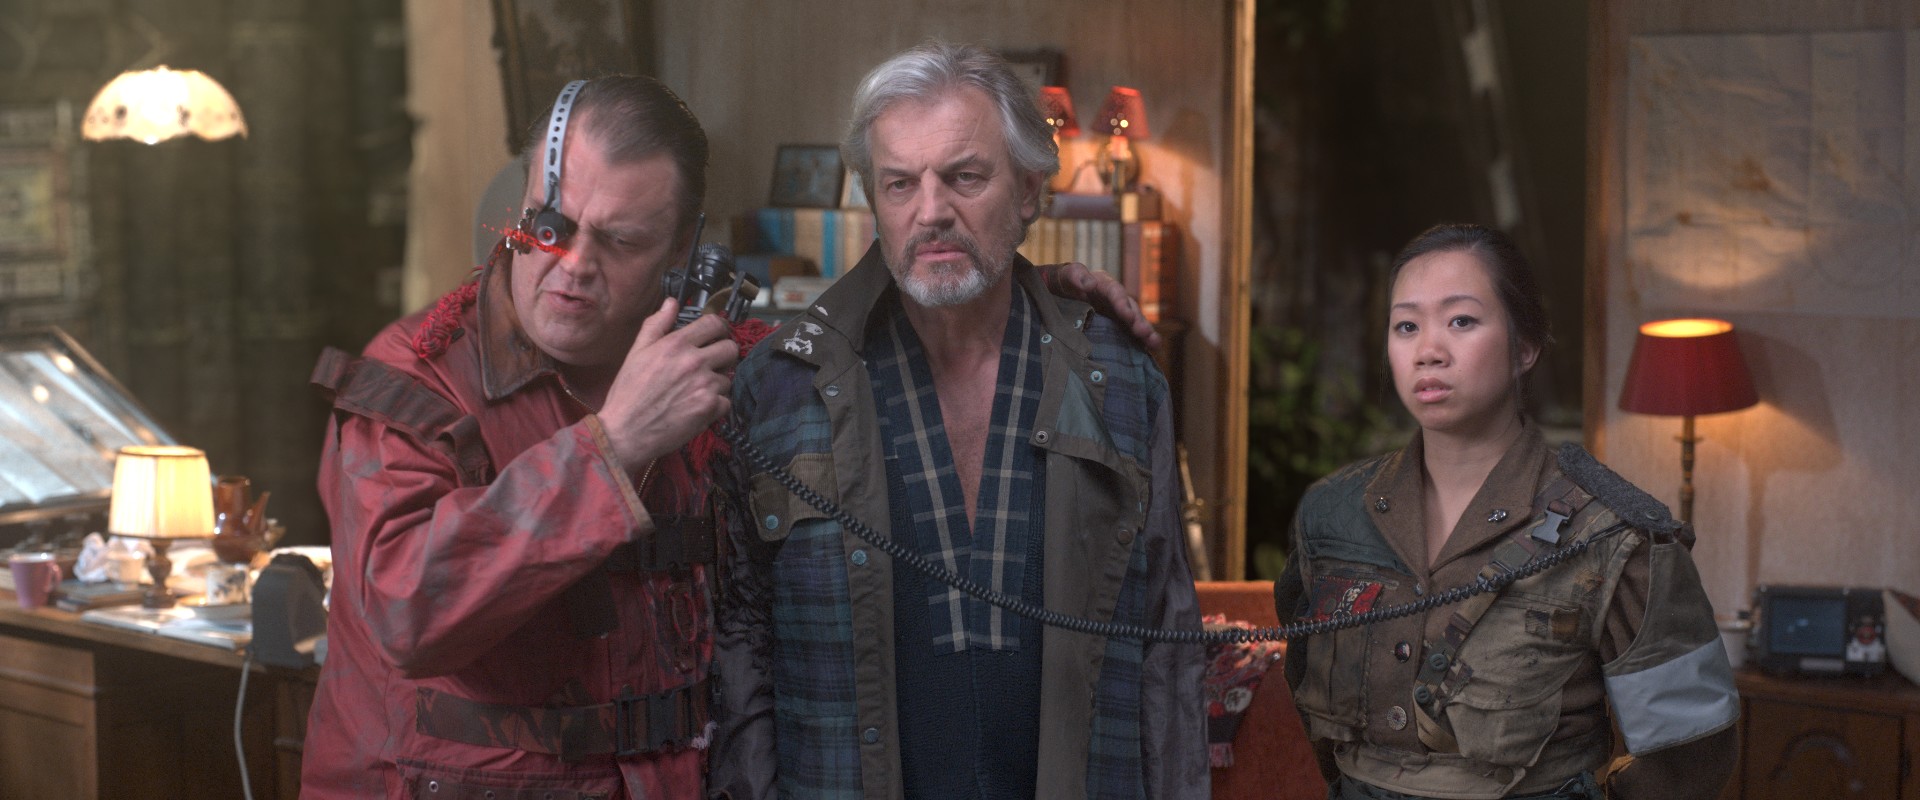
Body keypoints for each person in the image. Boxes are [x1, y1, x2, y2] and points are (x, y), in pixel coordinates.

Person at [301, 73, 1150, 798]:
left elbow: (873, 332)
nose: (573, 265)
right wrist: (613, 446)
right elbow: (404, 613)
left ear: (681, 252)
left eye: (620, 241)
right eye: (549, 225)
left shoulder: (720, 363)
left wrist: (1027, 294)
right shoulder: (414, 377)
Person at [710, 42, 1207, 800]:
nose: (932, 210)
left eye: (965, 176)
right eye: (900, 183)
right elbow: (741, 648)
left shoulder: (1121, 382)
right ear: (874, 200)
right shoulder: (779, 389)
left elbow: (1168, 651)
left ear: (1030, 191)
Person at [1272, 223, 1740, 800]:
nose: (1428, 351)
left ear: (1525, 349)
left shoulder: (1610, 532)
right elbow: (1310, 704)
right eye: (1407, 326)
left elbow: (1690, 753)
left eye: (1461, 321)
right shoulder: (1332, 514)